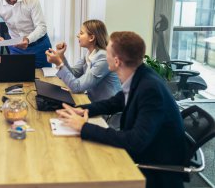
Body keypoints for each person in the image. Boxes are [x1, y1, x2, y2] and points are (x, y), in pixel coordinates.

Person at [56, 31, 186, 188]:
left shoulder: (150, 89)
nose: (104, 54)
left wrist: (84, 127)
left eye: (108, 51)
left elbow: (134, 141)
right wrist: (79, 109)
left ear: (116, 61)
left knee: (80, 166)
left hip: (153, 168)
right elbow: (112, 103)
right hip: (143, 151)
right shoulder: (139, 74)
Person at [45, 19, 121, 101]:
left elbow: (77, 87)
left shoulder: (103, 58)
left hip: (108, 111)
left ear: (91, 38)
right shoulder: (89, 53)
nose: (78, 35)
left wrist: (59, 63)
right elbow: (74, 74)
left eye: (81, 33)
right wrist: (61, 56)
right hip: (94, 103)